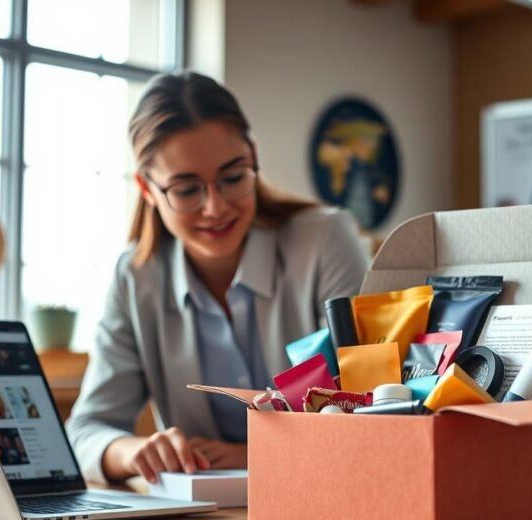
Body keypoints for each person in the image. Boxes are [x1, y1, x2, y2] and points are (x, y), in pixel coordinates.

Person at [65, 72, 370, 485]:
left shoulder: (326, 240)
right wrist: (137, 452)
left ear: (254, 157)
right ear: (147, 189)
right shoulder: (136, 277)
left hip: (326, 492)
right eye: (187, 189)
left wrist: (250, 453)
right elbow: (86, 431)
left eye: (232, 177)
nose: (215, 207)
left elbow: (367, 410)